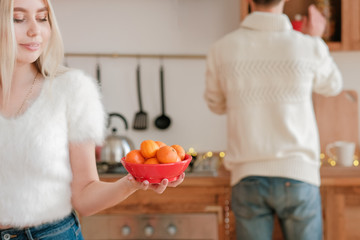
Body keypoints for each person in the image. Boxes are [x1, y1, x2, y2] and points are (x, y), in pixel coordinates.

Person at [0, 0, 185, 239]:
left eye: (43, 18)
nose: (35, 30)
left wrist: (133, 182)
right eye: (18, 18)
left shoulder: (71, 91)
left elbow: (84, 197)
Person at [204, 0, 342, 239]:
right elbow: (333, 85)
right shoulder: (307, 47)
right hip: (299, 175)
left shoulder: (222, 49)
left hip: (247, 176)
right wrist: (317, 38)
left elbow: (215, 104)